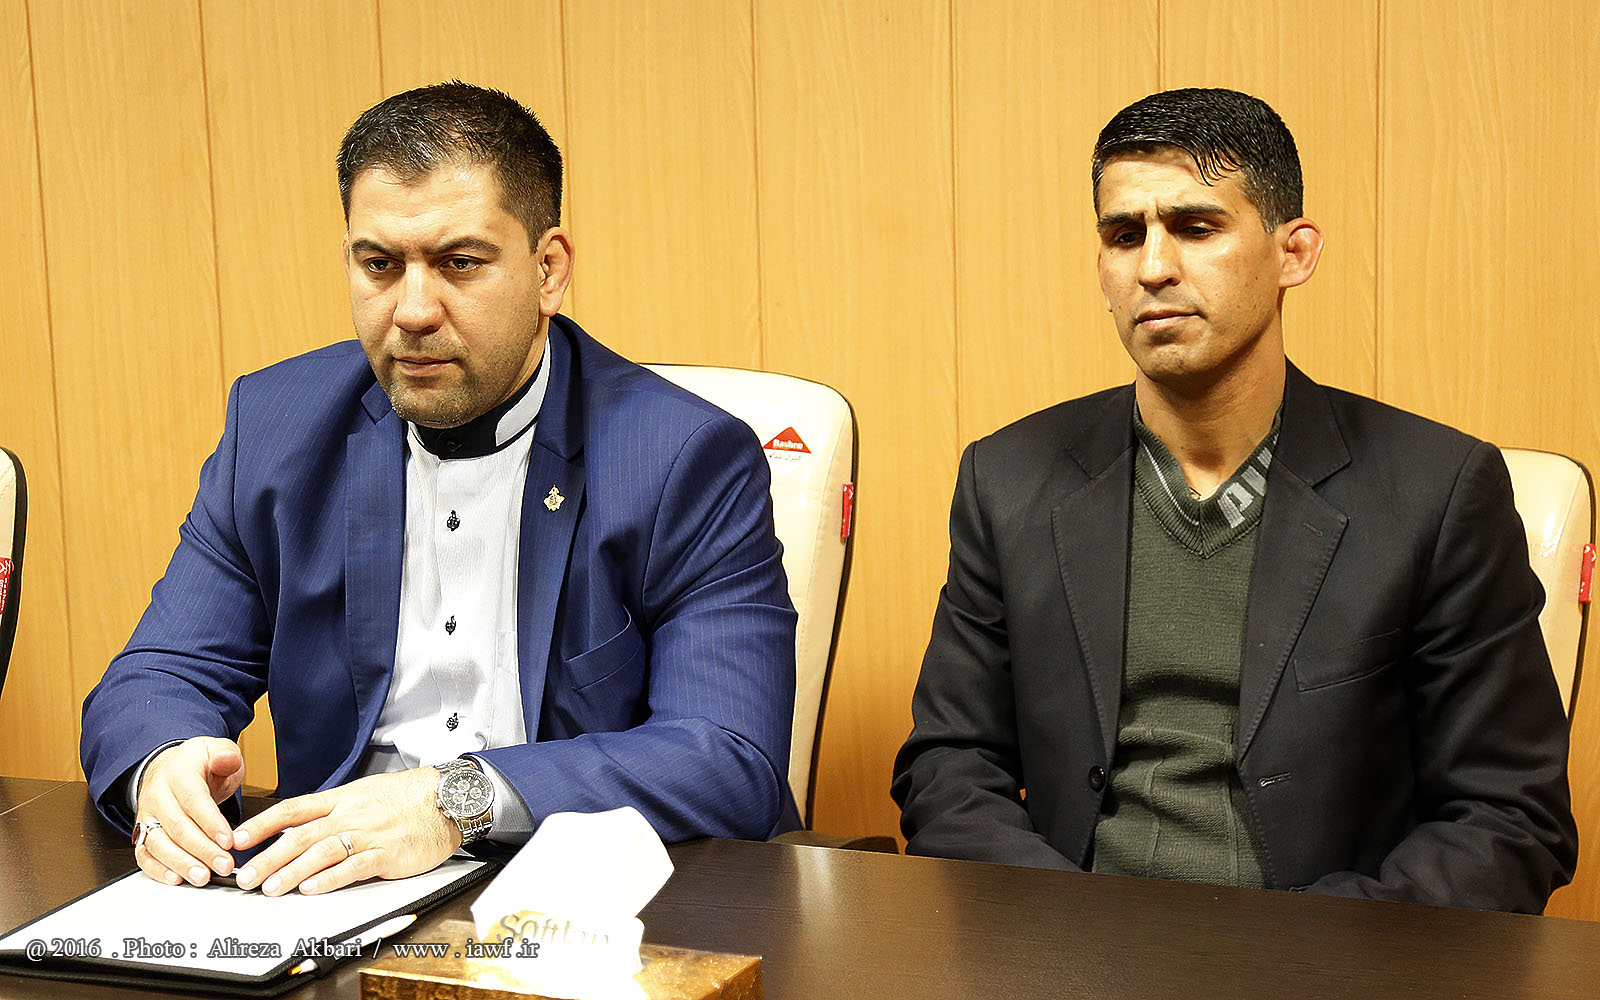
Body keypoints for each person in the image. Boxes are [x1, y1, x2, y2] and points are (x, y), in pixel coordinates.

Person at [81, 81, 799, 897]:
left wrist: (453, 801)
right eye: (379, 265)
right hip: (328, 896)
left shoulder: (682, 457)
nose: (414, 310)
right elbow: (156, 675)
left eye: (460, 263)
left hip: (582, 903)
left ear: (549, 271)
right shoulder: (276, 429)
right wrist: (164, 765)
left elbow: (726, 756)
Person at [891, 87, 1576, 912]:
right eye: (1124, 235)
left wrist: (1298, 953)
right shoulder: (1007, 479)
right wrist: (1071, 932)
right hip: (1068, 945)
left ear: (1295, 253)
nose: (1153, 268)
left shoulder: (1437, 489)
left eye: (1196, 227)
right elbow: (949, 767)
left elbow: (1509, 817)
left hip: (1329, 953)